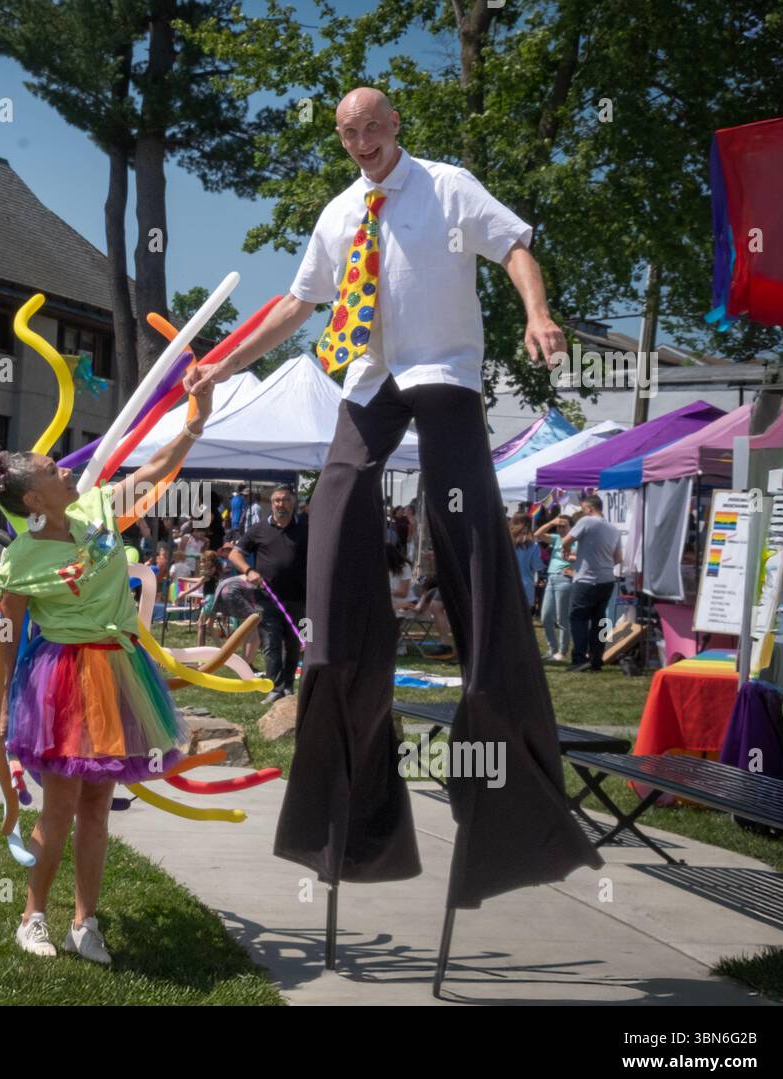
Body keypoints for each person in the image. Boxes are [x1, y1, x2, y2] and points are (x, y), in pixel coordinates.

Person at [183, 86, 599, 908]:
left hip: (442, 372)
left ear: (396, 126)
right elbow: (298, 304)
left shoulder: (447, 185)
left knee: (462, 514)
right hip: (369, 382)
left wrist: (537, 314)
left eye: (373, 127)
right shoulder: (340, 214)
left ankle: (487, 657)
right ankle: (334, 652)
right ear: (338, 139)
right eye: (347, 132)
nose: (363, 140)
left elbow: (514, 244)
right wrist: (227, 364)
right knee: (336, 499)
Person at [0, 386, 212, 964]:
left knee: (99, 804)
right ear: (35, 496)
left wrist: (193, 423)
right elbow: (9, 638)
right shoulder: (21, 560)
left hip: (120, 671)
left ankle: (85, 922)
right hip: (63, 681)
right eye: (56, 469)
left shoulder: (97, 508)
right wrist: (1, 702)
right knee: (59, 807)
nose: (69, 467)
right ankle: (32, 918)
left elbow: (156, 471)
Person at [230, 484, 307, 706]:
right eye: (277, 501)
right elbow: (235, 554)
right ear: (271, 503)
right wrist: (249, 571)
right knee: (270, 642)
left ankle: (289, 686)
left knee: (294, 643)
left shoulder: (306, 529)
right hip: (266, 598)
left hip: (300, 598)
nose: (281, 504)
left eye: (285, 500)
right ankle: (275, 687)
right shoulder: (258, 529)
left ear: (293, 503)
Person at [563, 493, 623, 672]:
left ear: (589, 508)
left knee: (578, 618)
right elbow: (618, 558)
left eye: (583, 509)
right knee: (600, 620)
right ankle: (597, 659)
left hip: (586, 579)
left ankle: (579, 659)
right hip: (607, 579)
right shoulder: (614, 529)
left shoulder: (586, 521)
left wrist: (565, 550)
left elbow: (566, 540)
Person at [535, 505, 577, 660]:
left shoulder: (575, 540)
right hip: (551, 577)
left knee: (562, 618)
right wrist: (552, 522)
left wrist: (571, 563)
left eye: (563, 526)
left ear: (571, 527)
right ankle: (552, 649)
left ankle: (562, 650)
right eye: (558, 526)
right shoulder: (556, 538)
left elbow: (582, 557)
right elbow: (538, 534)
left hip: (564, 578)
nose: (560, 529)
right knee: (545, 616)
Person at [511, 514, 543, 612]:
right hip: (526, 585)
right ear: (529, 524)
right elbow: (536, 566)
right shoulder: (533, 545)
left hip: (506, 584)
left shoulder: (505, 541)